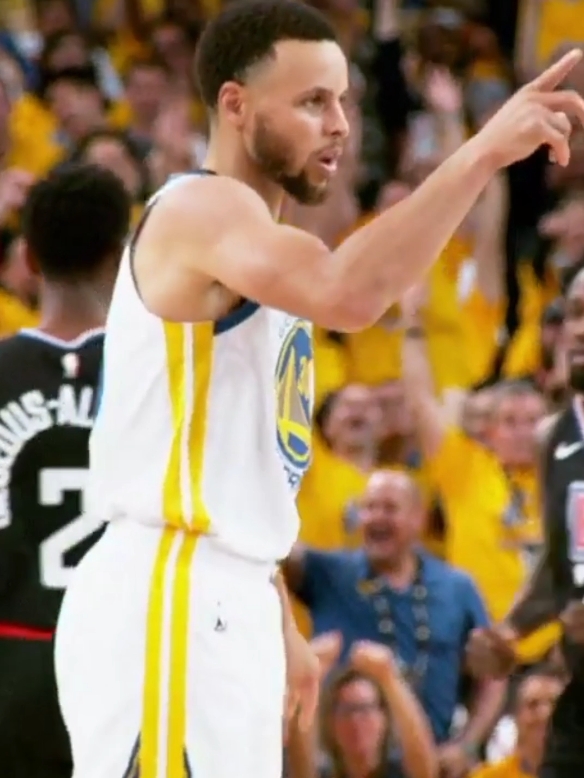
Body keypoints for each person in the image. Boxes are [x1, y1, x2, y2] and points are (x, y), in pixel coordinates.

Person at [53, 2, 584, 778]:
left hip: (224, 595)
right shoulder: (202, 207)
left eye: (342, 101)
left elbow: (233, 465)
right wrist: (482, 152)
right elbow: (350, 293)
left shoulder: (262, 251)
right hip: (171, 591)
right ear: (236, 104)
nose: (338, 124)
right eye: (311, 102)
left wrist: (274, 611)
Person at [0, 163, 131, 778]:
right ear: (121, 257)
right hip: (127, 665)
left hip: (12, 663)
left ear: (27, 258)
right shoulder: (160, 378)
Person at [466, 263, 584, 778]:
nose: (577, 330)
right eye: (574, 313)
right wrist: (511, 629)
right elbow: (561, 563)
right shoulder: (554, 436)